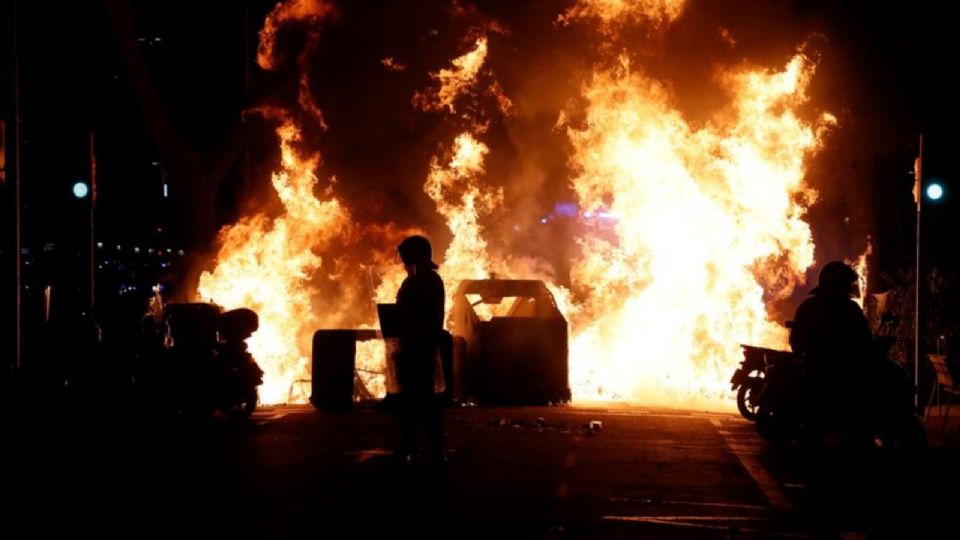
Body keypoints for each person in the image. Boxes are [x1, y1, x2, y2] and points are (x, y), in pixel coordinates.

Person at [789, 261, 874, 437]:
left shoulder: (809, 306)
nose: (849, 288)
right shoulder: (849, 310)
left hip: (816, 369)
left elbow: (796, 339)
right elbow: (864, 338)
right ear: (837, 283)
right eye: (845, 283)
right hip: (837, 373)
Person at [394, 235, 446, 464]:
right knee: (419, 402)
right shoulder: (420, 281)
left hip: (420, 348)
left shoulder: (425, 282)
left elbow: (425, 316)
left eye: (406, 258)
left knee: (421, 401)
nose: (404, 263)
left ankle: (422, 448)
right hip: (415, 347)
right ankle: (420, 447)